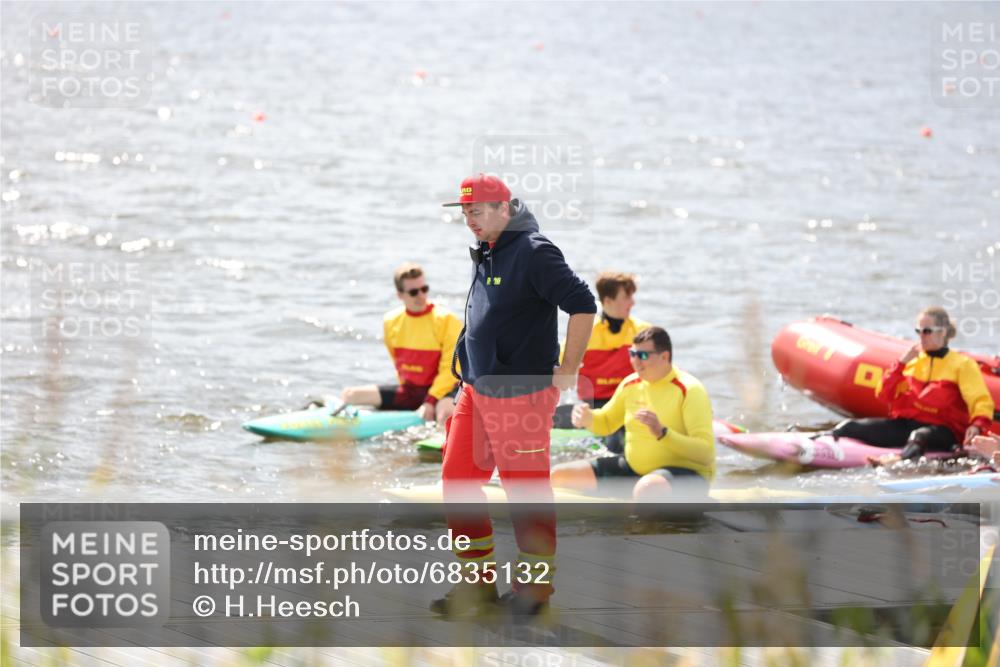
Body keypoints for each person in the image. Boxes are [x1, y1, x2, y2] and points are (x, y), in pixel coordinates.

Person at [431, 173, 596, 619]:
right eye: (465, 212)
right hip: (475, 389)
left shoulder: (534, 251)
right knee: (458, 483)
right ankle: (477, 587)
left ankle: (534, 594)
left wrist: (569, 368)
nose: (470, 220)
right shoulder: (487, 246)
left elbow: (583, 304)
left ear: (504, 208)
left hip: (522, 393)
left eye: (477, 211)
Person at [551, 327, 715, 502]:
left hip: (687, 476)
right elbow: (606, 423)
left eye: (643, 355)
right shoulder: (630, 384)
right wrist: (587, 418)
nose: (635, 361)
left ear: (664, 357)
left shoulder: (689, 390)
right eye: (632, 354)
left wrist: (663, 433)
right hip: (635, 470)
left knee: (647, 488)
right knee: (557, 476)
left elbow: (705, 453)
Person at [828, 306, 995, 464]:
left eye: (927, 331)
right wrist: (900, 364)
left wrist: (977, 425)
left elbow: (980, 400)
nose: (921, 336)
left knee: (919, 435)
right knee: (849, 426)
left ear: (943, 332)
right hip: (907, 425)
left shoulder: (963, 365)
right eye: (918, 331)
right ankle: (819, 442)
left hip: (944, 431)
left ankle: (897, 462)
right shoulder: (912, 363)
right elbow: (885, 395)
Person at [341, 263, 461, 424]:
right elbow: (398, 363)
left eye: (424, 289)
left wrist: (430, 400)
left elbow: (451, 369)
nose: (421, 296)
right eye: (413, 292)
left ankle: (439, 434)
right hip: (411, 391)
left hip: (444, 391)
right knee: (350, 395)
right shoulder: (391, 321)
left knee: (444, 412)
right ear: (400, 295)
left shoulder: (447, 320)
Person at [554, 271, 650, 453]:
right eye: (627, 297)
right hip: (594, 403)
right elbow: (558, 369)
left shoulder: (643, 332)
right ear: (608, 300)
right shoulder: (585, 333)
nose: (633, 302)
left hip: (629, 401)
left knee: (616, 442)